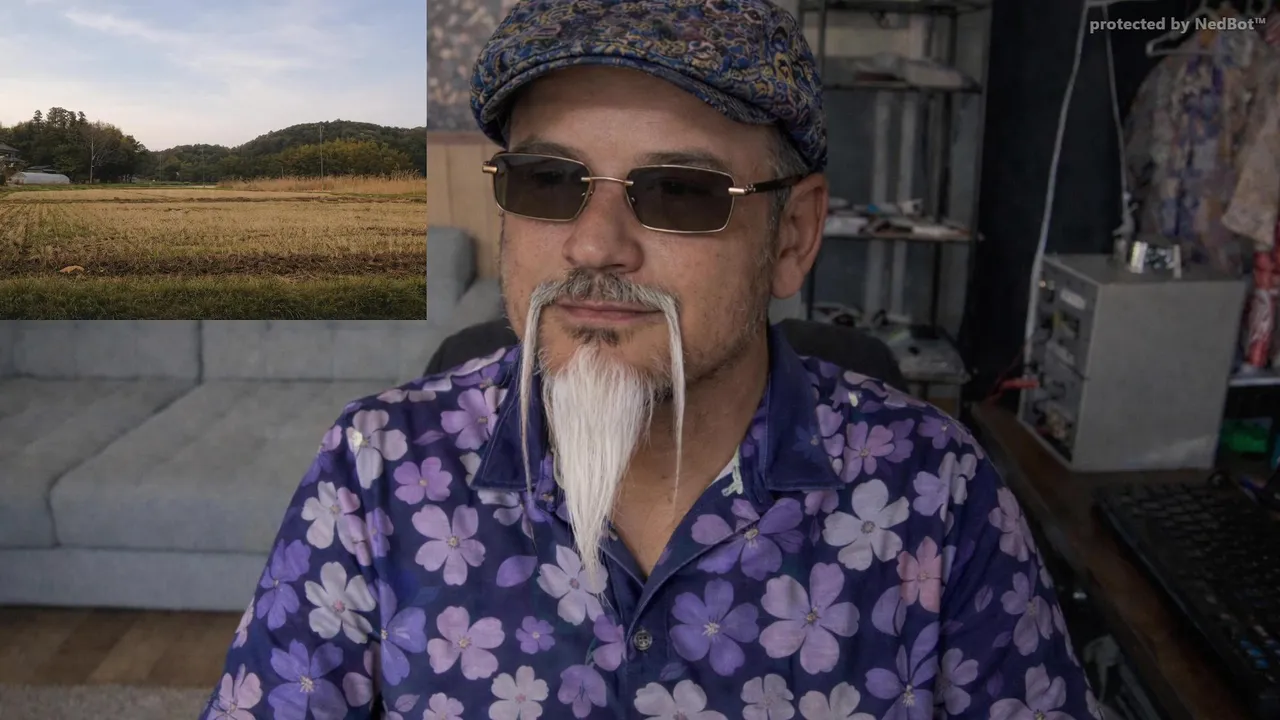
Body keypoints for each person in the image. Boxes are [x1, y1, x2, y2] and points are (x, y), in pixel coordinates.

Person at [200, 1, 1103, 718]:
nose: (595, 245)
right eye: (548, 181)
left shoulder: (939, 496)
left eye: (679, 191)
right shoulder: (376, 472)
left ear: (792, 236)